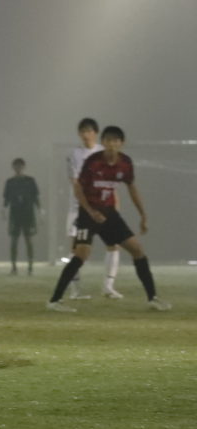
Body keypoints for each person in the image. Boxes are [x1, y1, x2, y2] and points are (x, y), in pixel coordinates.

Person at [46, 126, 171, 312]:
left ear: (121, 143)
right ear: (103, 142)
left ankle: (152, 298)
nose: (112, 144)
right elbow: (78, 188)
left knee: (137, 249)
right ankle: (55, 301)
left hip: (109, 214)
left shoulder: (125, 163)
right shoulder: (93, 162)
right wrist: (90, 211)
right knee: (81, 254)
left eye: (115, 141)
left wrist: (143, 214)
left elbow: (132, 188)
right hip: (88, 214)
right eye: (108, 140)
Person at [66, 118, 122, 299]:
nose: (85, 134)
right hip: (79, 208)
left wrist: (115, 205)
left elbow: (111, 182)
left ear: (96, 133)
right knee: (76, 248)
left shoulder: (104, 152)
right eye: (82, 131)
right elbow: (75, 183)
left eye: (89, 131)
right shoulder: (74, 154)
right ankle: (75, 290)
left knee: (113, 244)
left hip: (104, 207)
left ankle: (108, 286)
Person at [2, 158, 40, 275]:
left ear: (23, 167)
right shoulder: (10, 182)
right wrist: (4, 209)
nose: (18, 168)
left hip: (28, 214)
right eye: (16, 166)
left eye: (20, 166)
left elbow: (35, 197)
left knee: (29, 240)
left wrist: (40, 210)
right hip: (15, 214)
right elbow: (6, 198)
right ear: (13, 167)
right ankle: (14, 267)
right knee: (14, 240)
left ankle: (30, 267)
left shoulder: (30, 181)